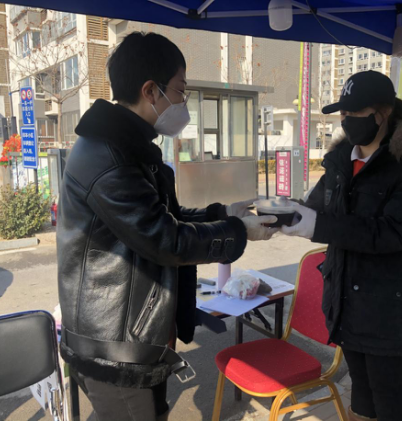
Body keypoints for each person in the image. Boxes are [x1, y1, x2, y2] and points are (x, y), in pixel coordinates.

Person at [57, 32, 277, 421]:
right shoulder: (110, 157)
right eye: (180, 90)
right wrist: (238, 232)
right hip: (114, 345)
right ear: (150, 91)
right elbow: (163, 239)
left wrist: (224, 213)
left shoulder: (128, 148)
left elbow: (161, 218)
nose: (183, 101)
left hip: (131, 335)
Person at [283, 71, 402, 421]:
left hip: (389, 307)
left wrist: (316, 224)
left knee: (386, 392)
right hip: (345, 300)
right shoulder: (340, 161)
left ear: (383, 113)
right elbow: (316, 208)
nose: (347, 119)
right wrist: (279, 211)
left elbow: (394, 232)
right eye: (343, 113)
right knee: (360, 388)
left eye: (356, 112)